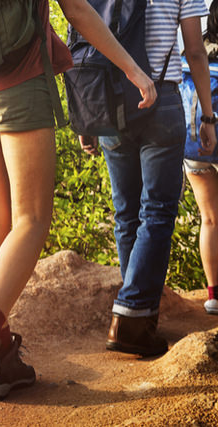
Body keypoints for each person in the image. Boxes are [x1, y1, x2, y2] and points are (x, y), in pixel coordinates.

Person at [0, 0, 156, 425]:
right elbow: (78, 10)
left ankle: (2, 361)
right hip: (17, 84)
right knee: (31, 219)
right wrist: (133, 70)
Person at [79, 0, 216, 356]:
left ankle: (139, 312)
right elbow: (196, 52)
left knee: (126, 213)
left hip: (110, 98)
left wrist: (88, 116)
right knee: (156, 210)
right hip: (162, 101)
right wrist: (207, 115)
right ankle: (132, 314)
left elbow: (87, 35)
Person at [181, 0, 218, 315]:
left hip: (194, 146)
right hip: (212, 130)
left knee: (209, 218)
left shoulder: (195, 52)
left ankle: (213, 295)